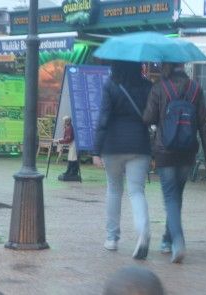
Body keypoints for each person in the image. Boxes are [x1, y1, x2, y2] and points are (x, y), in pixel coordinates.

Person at [143, 63, 206, 263]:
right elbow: (203, 122)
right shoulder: (195, 88)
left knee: (170, 198)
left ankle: (177, 240)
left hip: (165, 151)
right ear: (182, 66)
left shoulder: (159, 87)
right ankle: (167, 239)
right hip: (187, 151)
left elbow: (148, 117)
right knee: (176, 197)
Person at [93, 61, 152, 259]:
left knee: (114, 190)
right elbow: (151, 117)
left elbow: (103, 118)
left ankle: (112, 238)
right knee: (136, 192)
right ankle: (143, 231)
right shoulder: (147, 85)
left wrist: (96, 150)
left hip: (113, 145)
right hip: (139, 144)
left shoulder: (111, 84)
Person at [55, 116, 81, 182]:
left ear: (68, 121)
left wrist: (60, 141)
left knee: (73, 158)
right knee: (70, 157)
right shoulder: (67, 127)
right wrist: (60, 140)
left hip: (74, 144)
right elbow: (66, 138)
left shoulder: (70, 128)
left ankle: (73, 172)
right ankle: (69, 171)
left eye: (64, 121)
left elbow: (69, 139)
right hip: (72, 144)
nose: (63, 122)